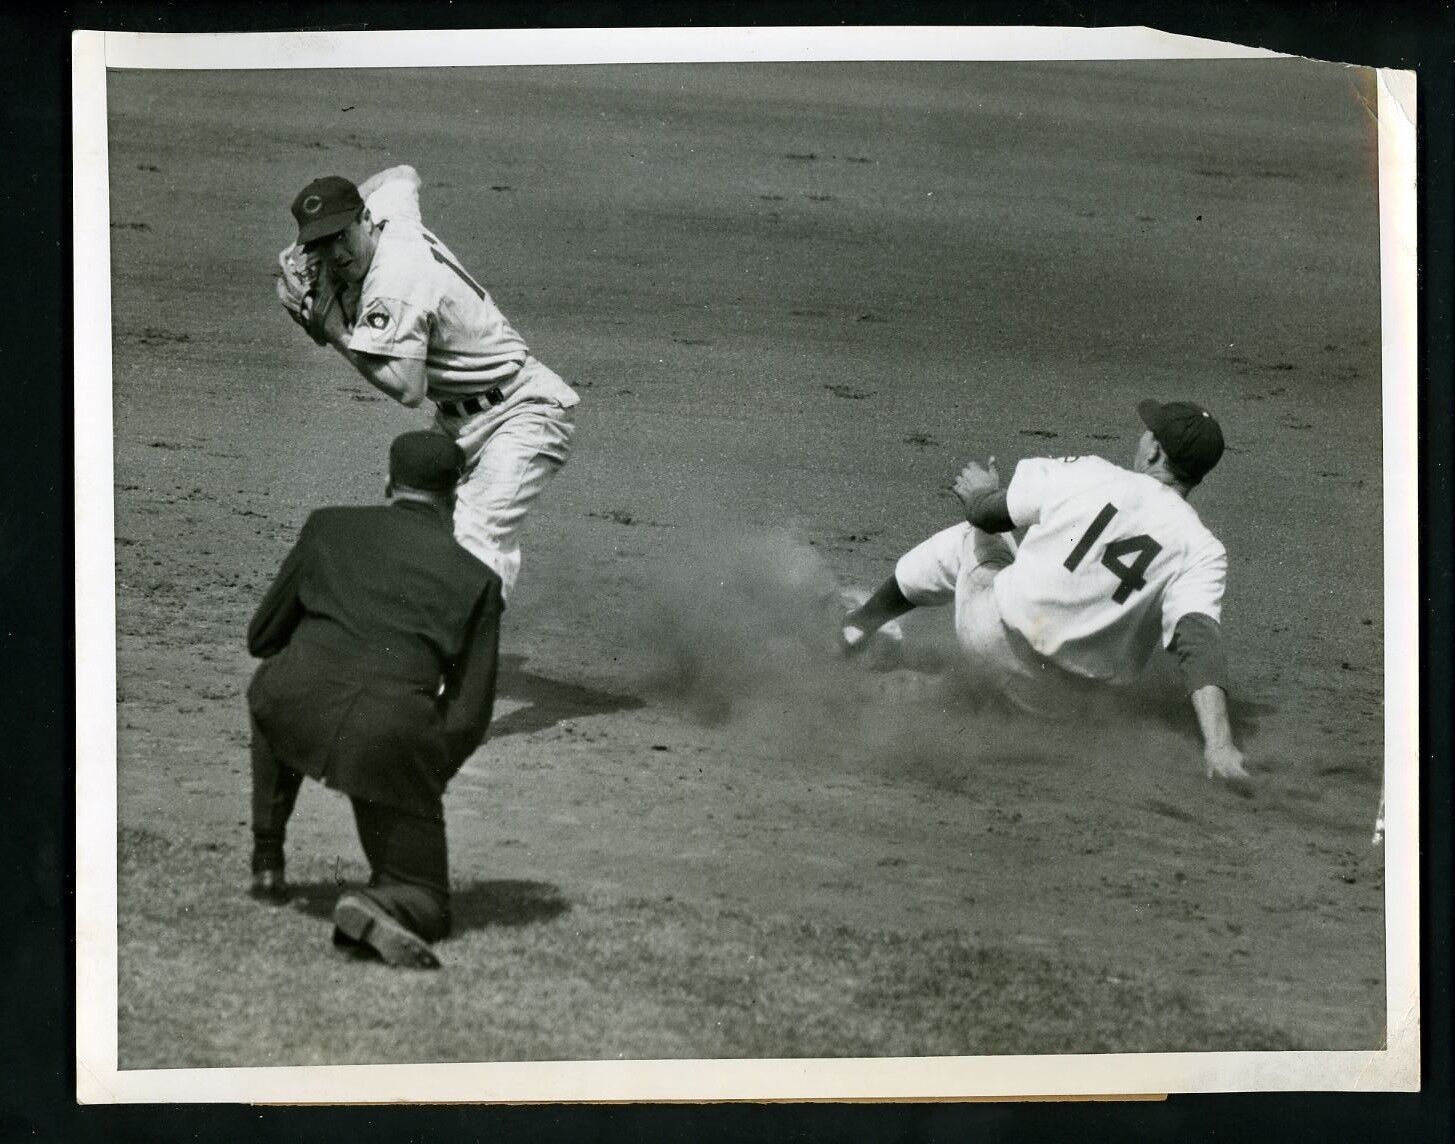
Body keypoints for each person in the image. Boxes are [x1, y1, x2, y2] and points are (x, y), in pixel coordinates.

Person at [841, 399, 1249, 783]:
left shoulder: (1092, 472)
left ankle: (856, 628)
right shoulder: (1203, 549)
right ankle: (974, 699)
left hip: (993, 640)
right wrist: (1220, 745)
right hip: (1069, 707)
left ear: (1155, 453)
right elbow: (1199, 642)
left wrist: (980, 490)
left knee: (973, 538)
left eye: (1149, 432)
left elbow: (986, 515)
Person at [246, 431, 504, 968]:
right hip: (390, 739)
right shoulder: (479, 581)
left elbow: (262, 638)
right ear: (453, 501)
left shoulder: (327, 527)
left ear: (388, 483)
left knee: (277, 685)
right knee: (427, 900)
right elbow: (469, 714)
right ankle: (374, 901)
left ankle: (268, 863)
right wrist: (421, 773)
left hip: (295, 707)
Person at [275, 165, 578, 601]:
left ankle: (463, 659)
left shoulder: (393, 283)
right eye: (321, 244)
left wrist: (335, 330)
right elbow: (402, 174)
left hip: (524, 413)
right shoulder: (389, 215)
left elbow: (407, 388)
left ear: (363, 220)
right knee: (415, 525)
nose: (335, 253)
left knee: (476, 539)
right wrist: (300, 245)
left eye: (341, 234)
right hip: (461, 423)